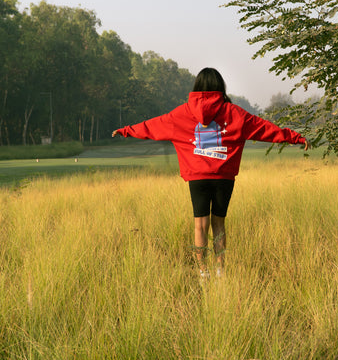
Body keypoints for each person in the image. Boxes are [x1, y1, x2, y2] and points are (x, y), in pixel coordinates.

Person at [112, 68, 310, 280]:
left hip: (197, 177)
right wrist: (294, 137)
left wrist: (127, 130)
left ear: (197, 87)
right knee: (219, 224)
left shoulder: (182, 113)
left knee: (200, 224)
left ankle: (202, 272)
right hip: (223, 177)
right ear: (220, 86)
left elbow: (153, 126)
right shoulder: (234, 113)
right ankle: (220, 271)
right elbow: (264, 128)